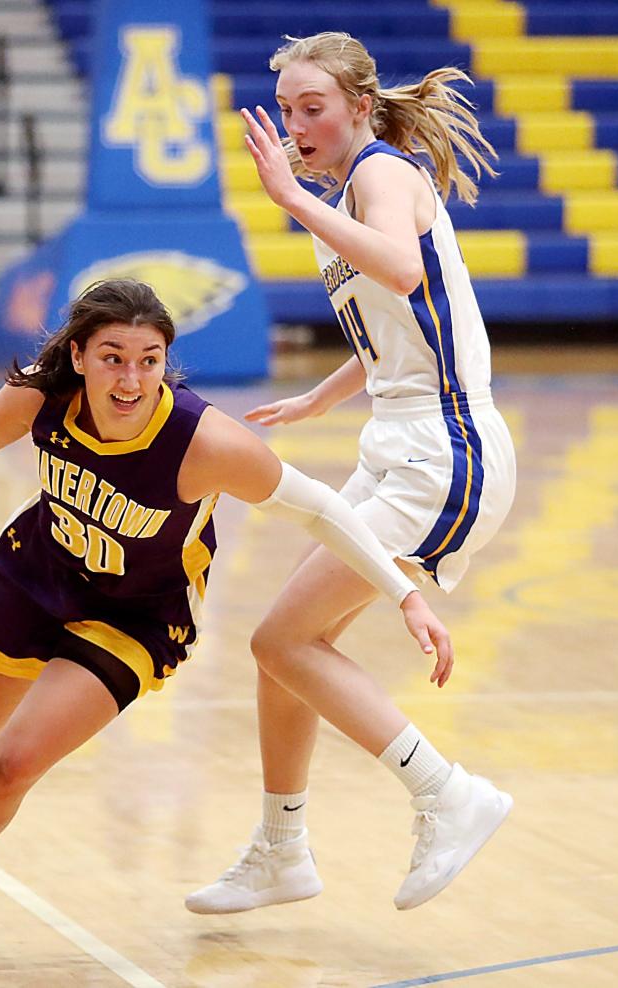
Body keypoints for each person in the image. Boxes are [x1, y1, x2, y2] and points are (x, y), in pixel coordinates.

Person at [0, 278, 452, 970]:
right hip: (36, 574)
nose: (130, 378)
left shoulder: (205, 442)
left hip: (134, 618)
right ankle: (33, 680)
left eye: (148, 359)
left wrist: (404, 595)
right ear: (79, 355)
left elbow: (322, 510)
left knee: (9, 765)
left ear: (165, 361)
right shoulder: (48, 393)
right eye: (113, 357)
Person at [184, 32, 517, 916]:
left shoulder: (381, 173)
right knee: (279, 648)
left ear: (360, 108)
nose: (297, 125)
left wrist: (291, 199)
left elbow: (406, 272)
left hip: (444, 452)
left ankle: (449, 794)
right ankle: (281, 850)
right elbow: (403, 318)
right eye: (287, 111)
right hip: (402, 441)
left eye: (312, 108)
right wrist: (325, 398)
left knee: (282, 642)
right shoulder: (353, 189)